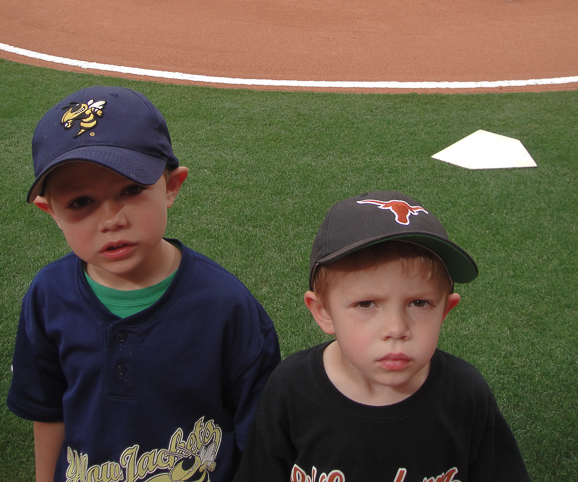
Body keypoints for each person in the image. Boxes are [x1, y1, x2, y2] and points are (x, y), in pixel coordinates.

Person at [7, 85, 280, 482]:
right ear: (50, 212)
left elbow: (257, 438)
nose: (111, 219)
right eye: (80, 202)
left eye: (131, 190)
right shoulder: (48, 295)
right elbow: (48, 411)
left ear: (171, 186)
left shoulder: (226, 305)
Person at [234, 191, 532, 482]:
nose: (396, 329)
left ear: (445, 309)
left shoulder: (465, 395)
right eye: (366, 304)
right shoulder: (291, 390)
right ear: (323, 311)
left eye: (419, 303)